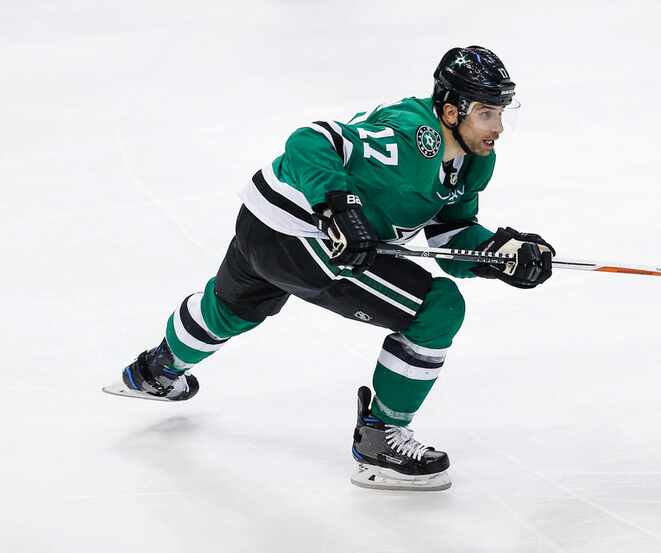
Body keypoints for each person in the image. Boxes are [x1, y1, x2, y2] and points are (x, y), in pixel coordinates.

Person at [113, 45, 555, 491]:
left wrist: (500, 254)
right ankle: (379, 438)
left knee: (232, 309)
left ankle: (156, 370)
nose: (497, 128)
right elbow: (312, 139)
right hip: (304, 237)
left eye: (501, 113)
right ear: (449, 110)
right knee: (438, 308)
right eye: (485, 113)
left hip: (262, 222)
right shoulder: (411, 135)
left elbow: (448, 237)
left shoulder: (472, 161)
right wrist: (337, 209)